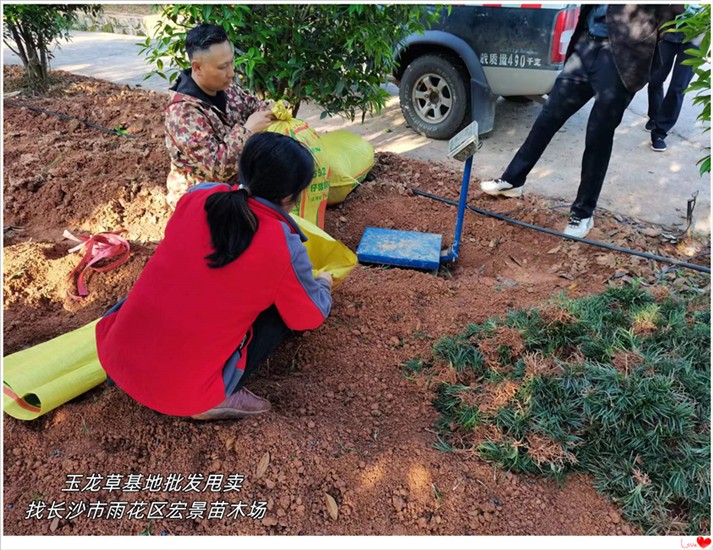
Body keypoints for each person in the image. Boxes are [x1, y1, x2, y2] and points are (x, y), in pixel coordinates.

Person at [96, 133, 333, 420]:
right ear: (289, 196)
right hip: (182, 395)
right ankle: (216, 397)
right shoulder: (282, 244)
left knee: (172, 286)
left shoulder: (198, 196)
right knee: (281, 313)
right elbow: (308, 316)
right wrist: (323, 286)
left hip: (114, 357)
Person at [480, 4, 684, 238]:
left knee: (598, 134)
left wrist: (644, 40)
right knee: (548, 116)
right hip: (586, 45)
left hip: (621, 57)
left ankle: (583, 213)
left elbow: (673, 12)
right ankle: (513, 180)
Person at [164, 23, 275, 208]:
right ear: (197, 67)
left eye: (231, 62)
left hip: (236, 192)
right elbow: (217, 168)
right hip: (203, 202)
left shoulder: (225, 88)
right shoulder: (182, 113)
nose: (231, 73)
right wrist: (248, 131)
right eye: (223, 67)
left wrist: (271, 109)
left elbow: (253, 105)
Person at [646, 5, 700, 153]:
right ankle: (654, 116)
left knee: (678, 87)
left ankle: (659, 133)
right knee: (655, 79)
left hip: (697, 36)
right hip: (667, 31)